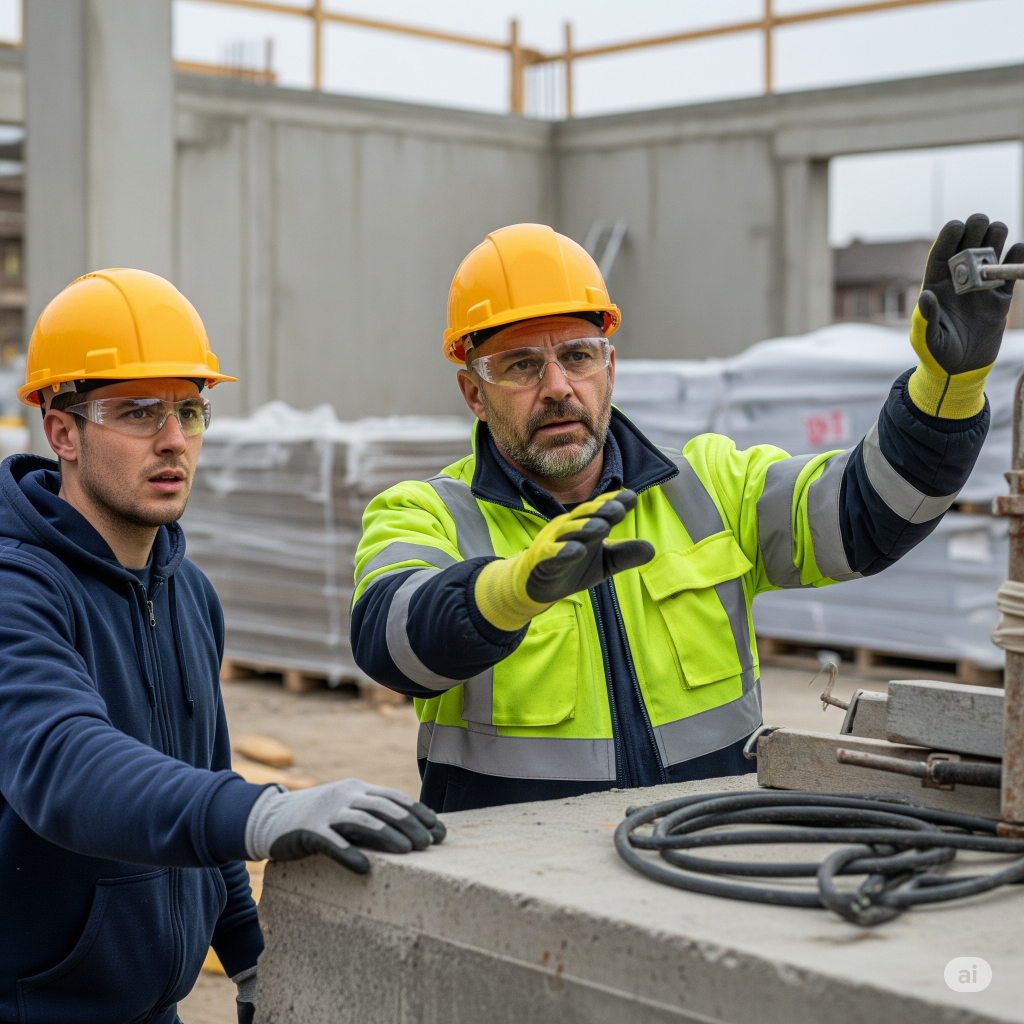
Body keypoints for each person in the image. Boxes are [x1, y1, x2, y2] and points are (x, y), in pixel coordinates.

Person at [352, 216, 1021, 814]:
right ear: (474, 392)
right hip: (514, 892)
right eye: (521, 365)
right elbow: (390, 643)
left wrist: (945, 389)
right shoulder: (427, 512)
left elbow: (871, 513)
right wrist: (508, 591)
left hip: (700, 863)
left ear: (609, 368)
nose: (557, 387)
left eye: (577, 356)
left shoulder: (712, 486)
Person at [0, 269, 443, 1024]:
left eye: (190, 409)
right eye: (137, 411)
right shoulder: (18, 589)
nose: (174, 439)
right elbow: (61, 760)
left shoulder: (187, 592)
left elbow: (199, 775)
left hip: (157, 1009)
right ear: (62, 429)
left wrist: (249, 954)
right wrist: (263, 811)